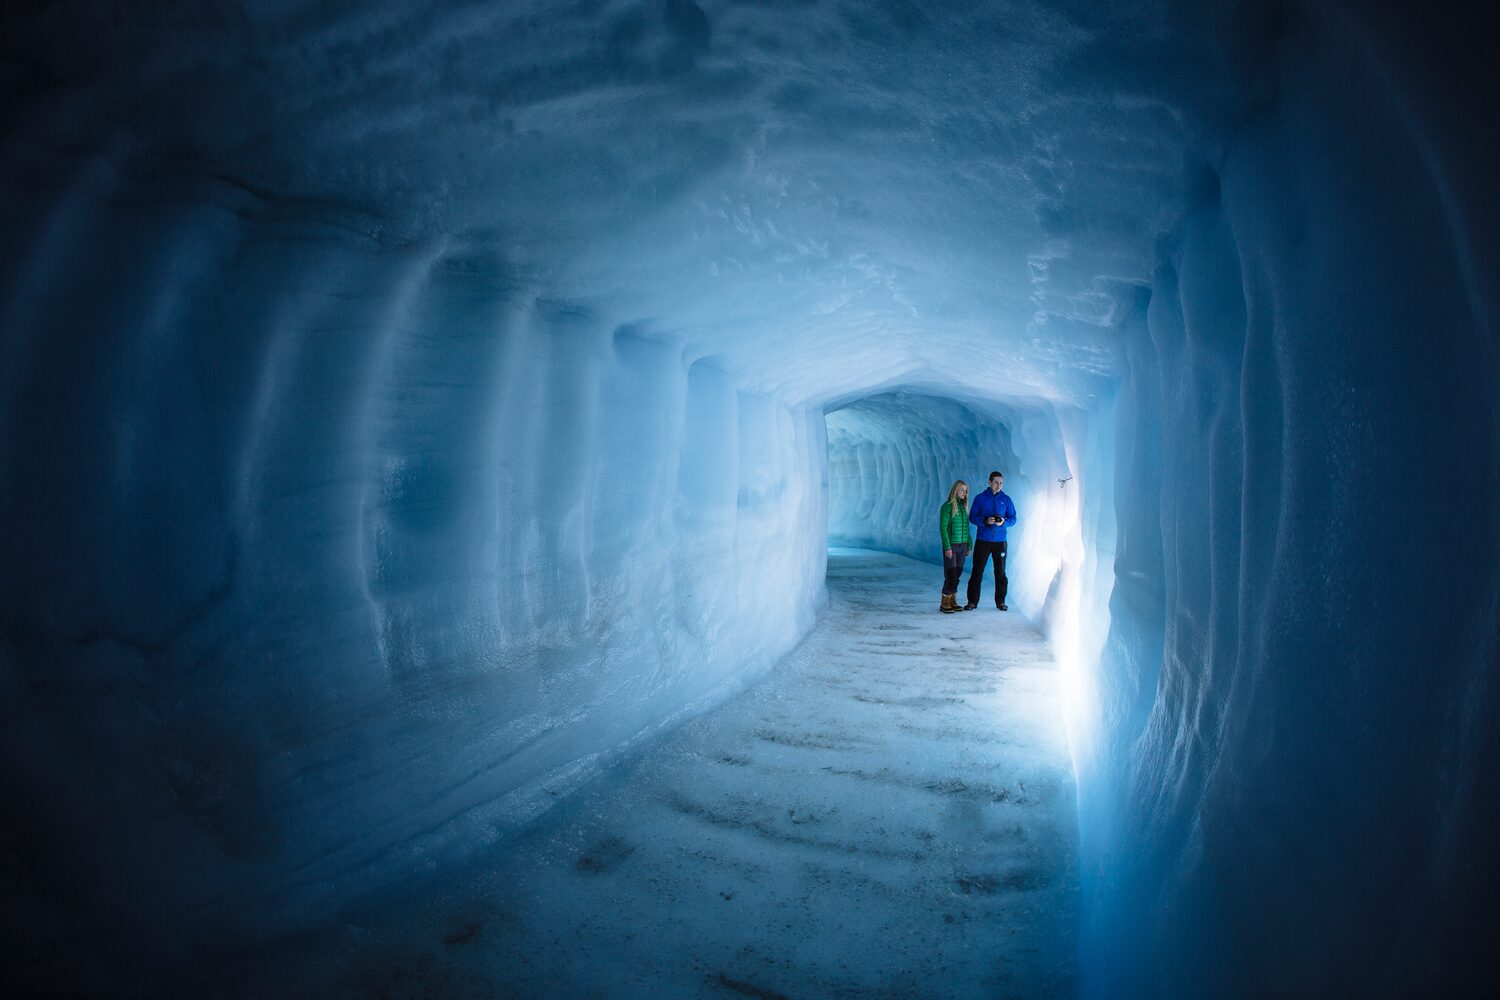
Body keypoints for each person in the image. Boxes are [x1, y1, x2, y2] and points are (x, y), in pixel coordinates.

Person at [965, 471, 1017, 611]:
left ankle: (1000, 602)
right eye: (996, 482)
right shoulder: (980, 498)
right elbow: (972, 517)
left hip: (1000, 542)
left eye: (1001, 483)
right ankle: (972, 602)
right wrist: (985, 521)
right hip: (983, 540)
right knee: (977, 571)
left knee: (1000, 572)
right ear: (989, 482)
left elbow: (1013, 519)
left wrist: (1003, 522)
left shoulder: (1006, 500)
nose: (998, 485)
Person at [938, 480, 971, 613]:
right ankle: (945, 601)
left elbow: (966, 528)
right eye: (962, 490)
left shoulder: (963, 507)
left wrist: (969, 544)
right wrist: (947, 547)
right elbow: (943, 528)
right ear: (955, 490)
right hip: (952, 545)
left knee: (957, 574)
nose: (965, 493)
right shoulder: (947, 507)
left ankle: (953, 600)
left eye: (966, 490)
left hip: (962, 546)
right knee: (950, 574)